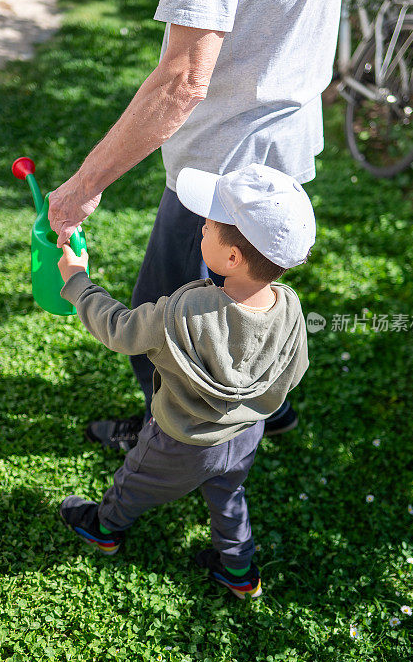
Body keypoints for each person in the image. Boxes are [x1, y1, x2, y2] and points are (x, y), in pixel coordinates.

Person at [47, 0, 348, 452]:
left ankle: (169, 441)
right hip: (287, 134)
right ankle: (262, 410)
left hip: (224, 164)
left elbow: (187, 77)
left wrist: (83, 186)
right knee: (250, 304)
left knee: (161, 321)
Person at [57, 163, 314, 600]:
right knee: (229, 497)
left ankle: (105, 527)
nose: (201, 228)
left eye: (210, 224)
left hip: (180, 441)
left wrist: (78, 282)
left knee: (133, 482)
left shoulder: (186, 310)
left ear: (232, 257)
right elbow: (295, 370)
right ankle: (238, 570)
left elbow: (120, 329)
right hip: (244, 435)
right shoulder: (288, 307)